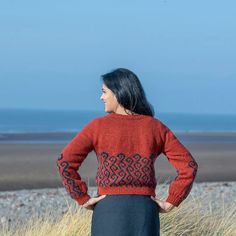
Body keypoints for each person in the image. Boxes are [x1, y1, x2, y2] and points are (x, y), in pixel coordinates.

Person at [56, 68, 198, 236]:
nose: (101, 97)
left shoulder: (97, 126)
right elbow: (189, 166)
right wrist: (171, 202)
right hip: (145, 211)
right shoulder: (155, 127)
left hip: (108, 211)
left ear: (118, 92)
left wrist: (82, 198)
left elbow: (64, 162)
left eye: (104, 92)